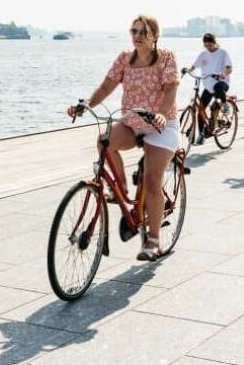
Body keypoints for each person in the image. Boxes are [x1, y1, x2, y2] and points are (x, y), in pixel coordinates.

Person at [68, 15, 179, 261]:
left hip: (161, 126)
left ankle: (154, 239)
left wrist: (161, 114)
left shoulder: (166, 58)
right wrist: (85, 104)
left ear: (155, 36)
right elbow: (106, 87)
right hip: (131, 123)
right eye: (134, 31)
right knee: (104, 141)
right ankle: (122, 189)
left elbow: (171, 89)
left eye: (143, 32)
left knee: (152, 182)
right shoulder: (124, 59)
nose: (137, 36)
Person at [183, 33, 232, 144]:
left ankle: (225, 105)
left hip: (222, 83)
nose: (208, 48)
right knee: (201, 109)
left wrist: (223, 74)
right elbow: (194, 66)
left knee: (217, 86)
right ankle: (201, 135)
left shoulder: (223, 53)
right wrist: (187, 70)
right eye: (206, 46)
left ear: (215, 43)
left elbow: (229, 68)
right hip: (208, 86)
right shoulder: (203, 54)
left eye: (210, 45)